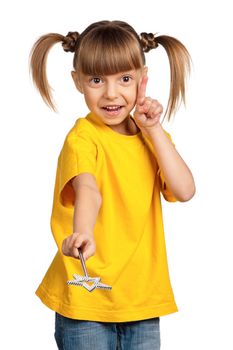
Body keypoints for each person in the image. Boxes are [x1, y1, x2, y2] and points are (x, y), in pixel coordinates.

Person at [30, 20, 195, 350]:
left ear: (142, 79)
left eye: (124, 79)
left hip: (141, 299)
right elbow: (87, 188)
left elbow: (184, 190)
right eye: (96, 80)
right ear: (77, 82)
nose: (110, 93)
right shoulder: (83, 138)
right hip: (88, 297)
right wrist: (83, 232)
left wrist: (155, 130)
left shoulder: (151, 138)